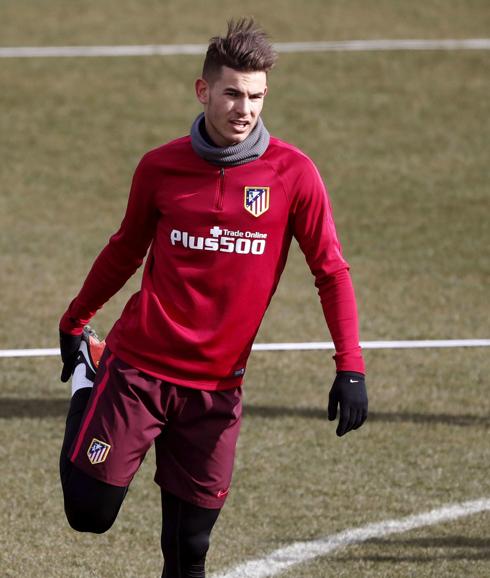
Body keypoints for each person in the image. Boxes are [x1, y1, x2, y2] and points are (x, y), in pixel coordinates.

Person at [58, 18, 368, 578]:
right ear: (203, 91)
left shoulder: (293, 175)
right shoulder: (161, 166)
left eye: (255, 96)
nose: (244, 108)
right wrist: (75, 318)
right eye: (231, 93)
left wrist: (351, 367)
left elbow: (332, 272)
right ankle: (90, 372)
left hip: (217, 391)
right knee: (89, 513)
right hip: (138, 373)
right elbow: (124, 250)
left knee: (190, 550)